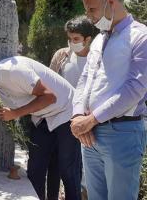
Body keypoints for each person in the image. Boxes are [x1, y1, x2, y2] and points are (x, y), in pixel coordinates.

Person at [0, 50, 80, 200]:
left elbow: (49, 97)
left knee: (67, 171)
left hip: (65, 111)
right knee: (35, 171)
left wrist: (15, 113)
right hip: (41, 117)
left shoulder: (12, 71)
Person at [71, 0, 147, 200]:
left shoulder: (140, 37)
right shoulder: (98, 40)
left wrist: (92, 119)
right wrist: (78, 116)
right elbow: (85, 80)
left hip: (121, 133)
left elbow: (135, 88)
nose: (90, 16)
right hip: (90, 135)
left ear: (111, 2)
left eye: (92, 9)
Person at [48, 16, 98, 200]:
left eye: (76, 39)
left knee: (84, 169)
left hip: (89, 122)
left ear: (88, 39)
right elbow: (50, 83)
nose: (71, 43)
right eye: (69, 39)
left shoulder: (98, 59)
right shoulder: (62, 56)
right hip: (63, 120)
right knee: (64, 167)